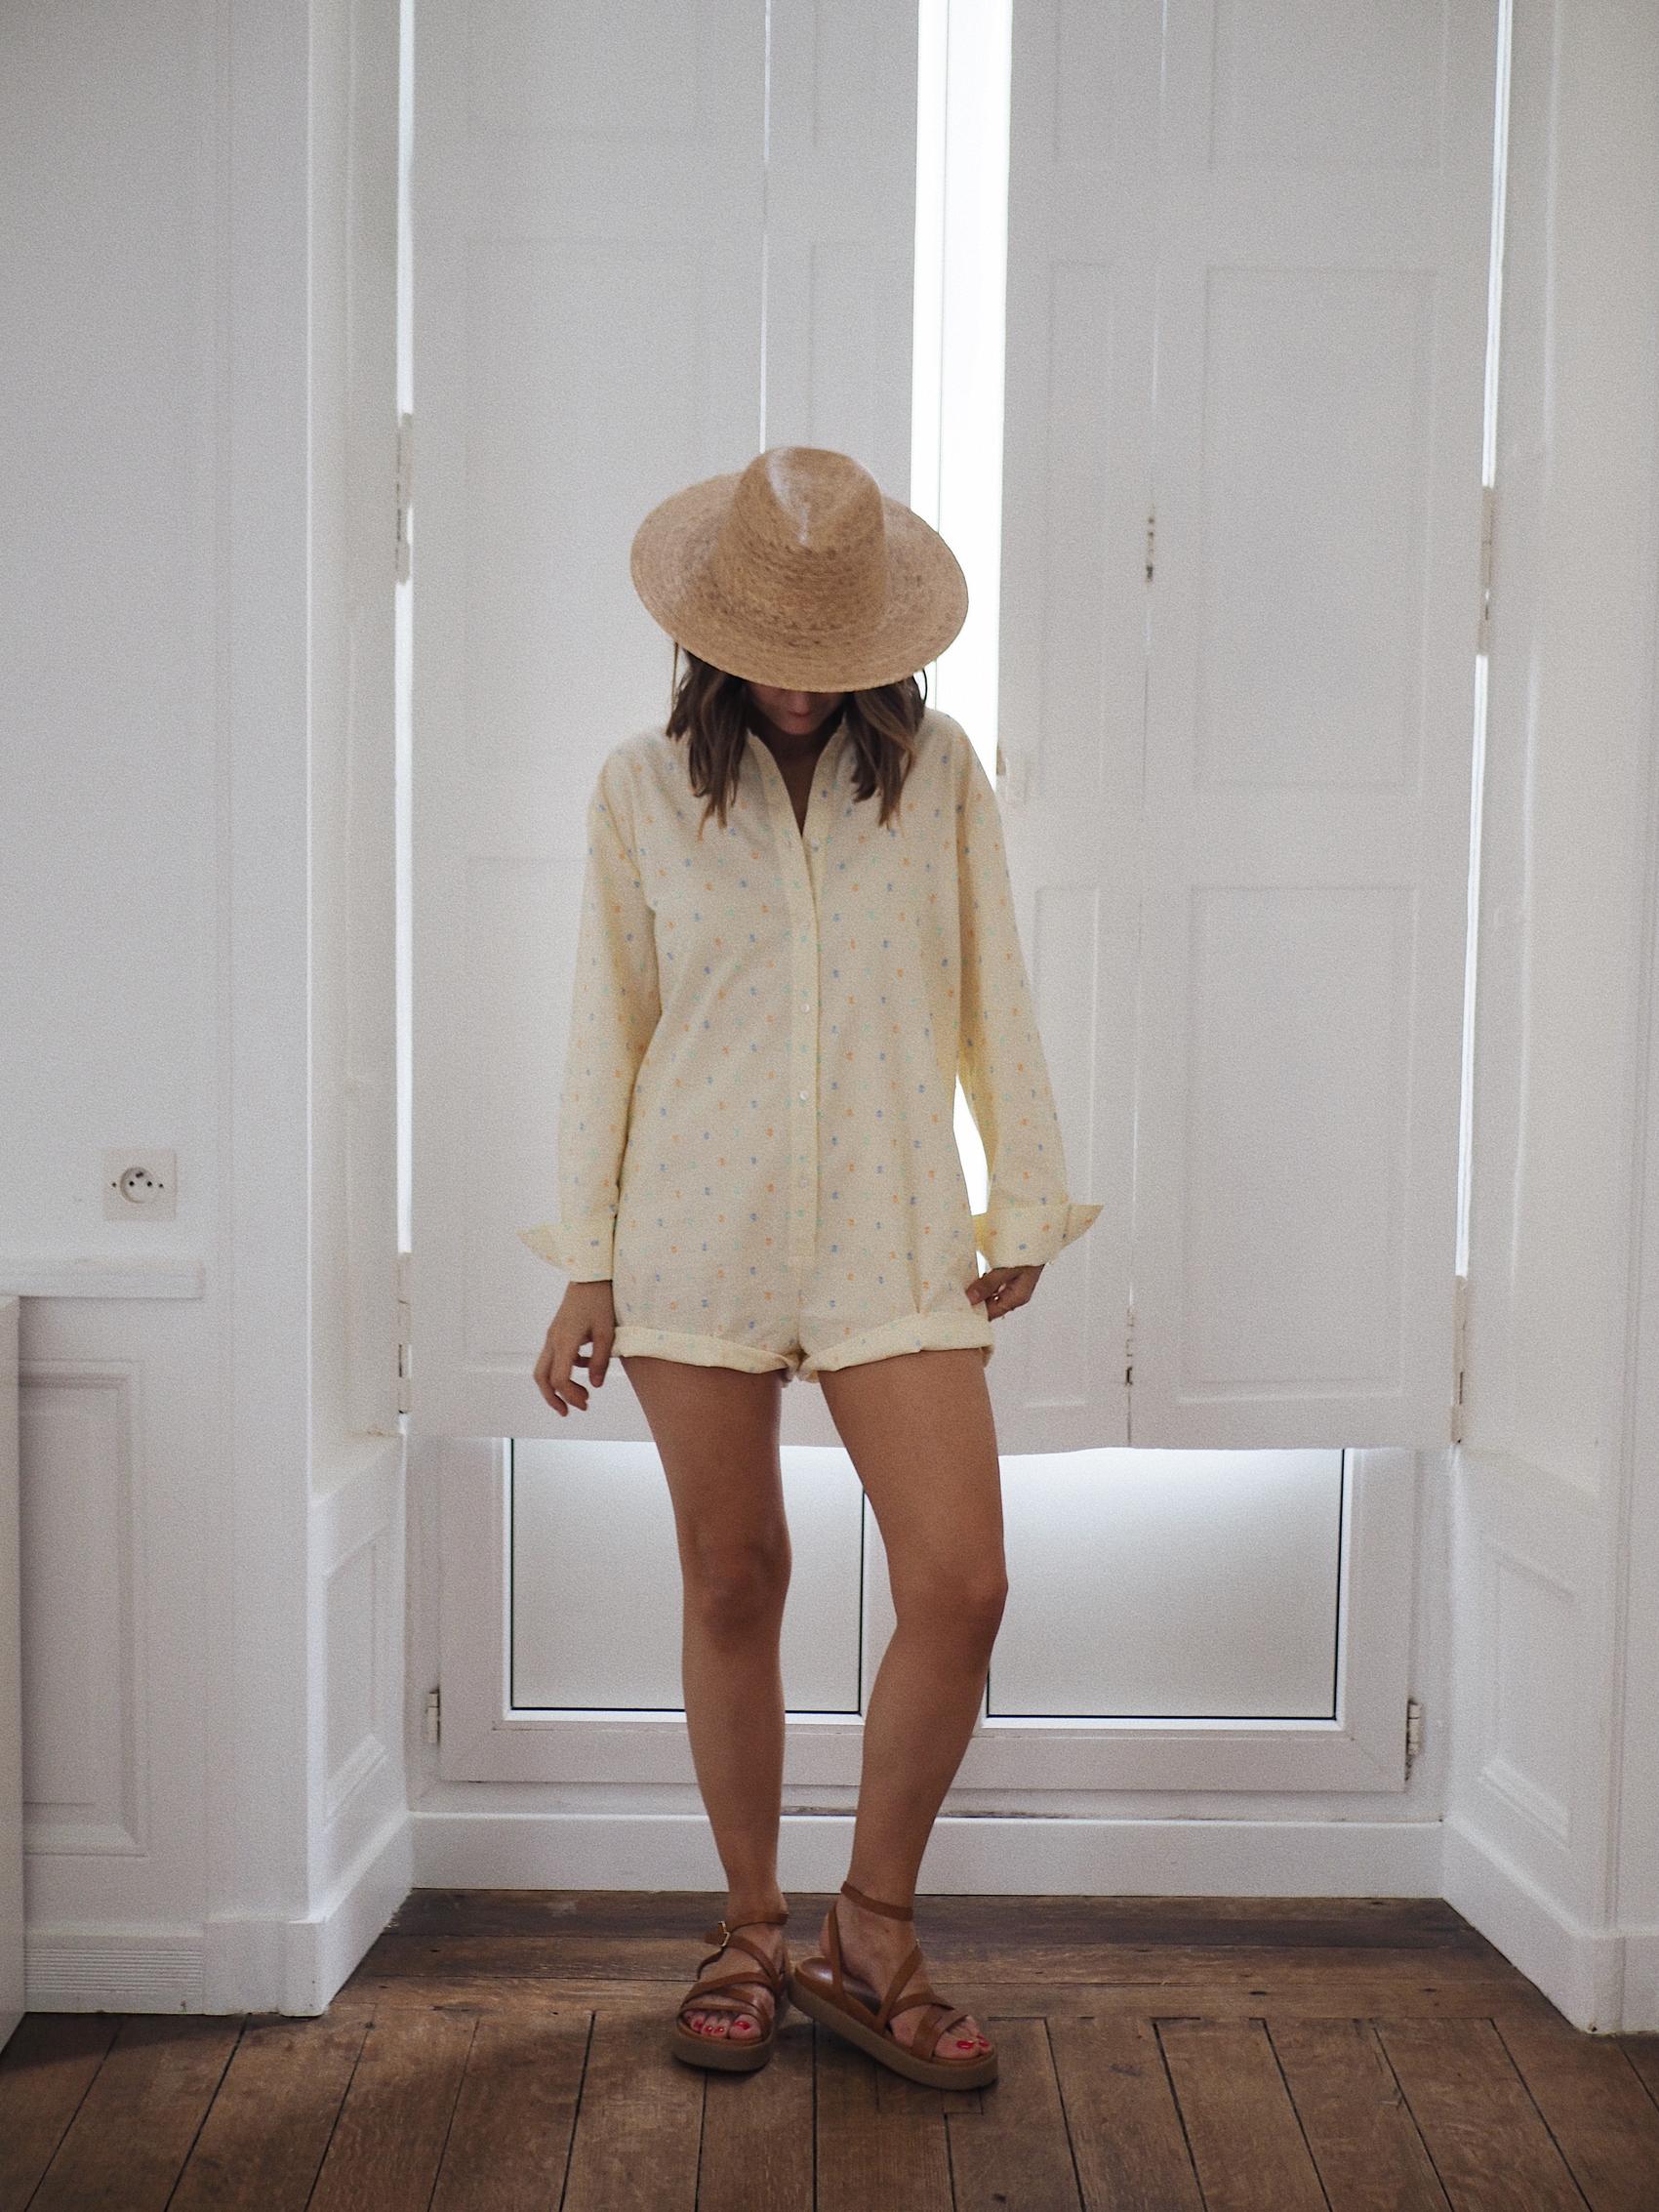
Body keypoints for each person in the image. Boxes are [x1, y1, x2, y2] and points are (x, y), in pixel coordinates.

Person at [519, 446, 1101, 2088]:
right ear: (713, 632)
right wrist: (585, 1261)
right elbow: (607, 1030)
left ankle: (872, 1928)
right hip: (691, 1230)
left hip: (889, 1224)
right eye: (771, 646)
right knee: (735, 1576)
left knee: (963, 1581)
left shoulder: (940, 776)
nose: (796, 680)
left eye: (828, 650)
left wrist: (1025, 1197)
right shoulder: (640, 790)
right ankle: (752, 1929)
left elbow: (994, 985)